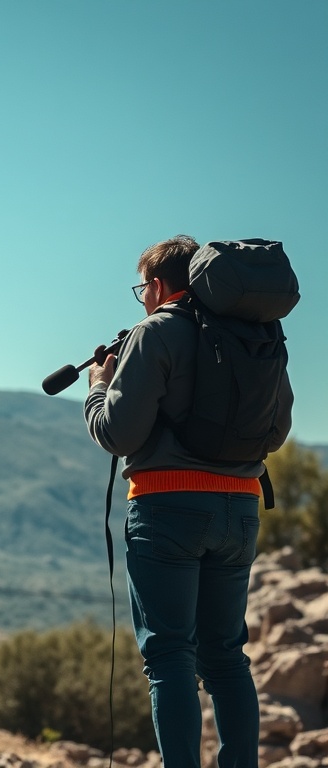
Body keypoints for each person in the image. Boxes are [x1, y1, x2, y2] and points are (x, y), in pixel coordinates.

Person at [84, 235, 293, 768]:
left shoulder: (156, 331)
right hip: (241, 509)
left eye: (143, 290)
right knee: (226, 657)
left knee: (170, 656)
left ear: (157, 286)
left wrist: (99, 388)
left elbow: (118, 434)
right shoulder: (259, 334)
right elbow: (277, 431)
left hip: (166, 508)